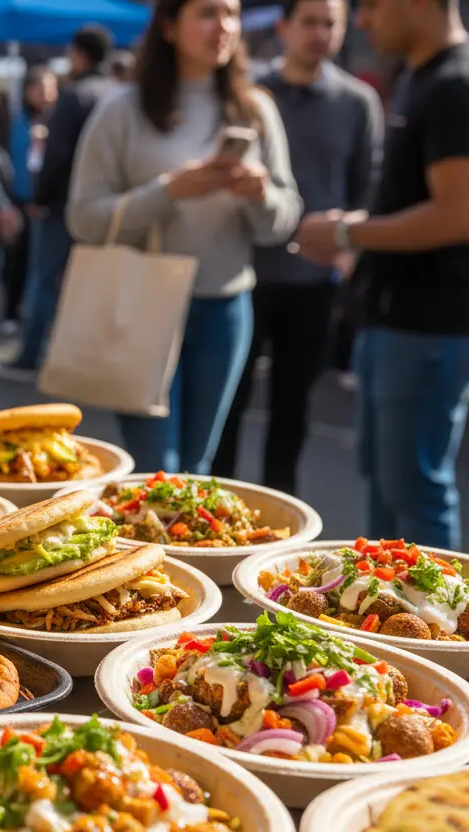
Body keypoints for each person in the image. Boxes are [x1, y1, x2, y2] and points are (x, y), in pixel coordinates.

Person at [68, 0, 303, 474]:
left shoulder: (255, 108)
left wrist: (259, 194)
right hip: (142, 306)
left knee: (197, 467)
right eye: (208, 12)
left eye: (232, 13)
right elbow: (83, 218)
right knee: (157, 467)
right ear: (170, 26)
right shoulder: (122, 108)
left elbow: (283, 221)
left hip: (226, 306)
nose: (224, 26)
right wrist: (169, 191)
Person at [294, 0, 469, 548]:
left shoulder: (455, 83)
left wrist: (351, 233)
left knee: (415, 491)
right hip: (394, 321)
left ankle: (437, 631)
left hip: (427, 327)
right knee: (389, 485)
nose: (362, 21)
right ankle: (389, 619)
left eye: (369, 6)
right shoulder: (424, 76)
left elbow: (456, 213)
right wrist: (354, 232)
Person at [212, 0, 383, 494]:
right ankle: (209, 518)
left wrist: (347, 244)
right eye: (309, 22)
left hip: (313, 283)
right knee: (227, 405)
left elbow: (365, 187)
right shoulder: (251, 94)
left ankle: (281, 522)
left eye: (330, 23)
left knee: (293, 411)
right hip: (243, 275)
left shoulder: (356, 102)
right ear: (284, 28)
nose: (319, 33)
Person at [0, 25, 118, 381]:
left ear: (80, 55)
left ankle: (30, 356)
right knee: (92, 285)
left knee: (45, 282)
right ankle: (87, 360)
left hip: (64, 208)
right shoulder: (116, 94)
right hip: (106, 208)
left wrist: (40, 198)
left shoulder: (75, 96)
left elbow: (57, 155)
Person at [3, 67, 59, 330]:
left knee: (40, 265)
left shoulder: (58, 120)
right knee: (16, 260)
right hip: (19, 199)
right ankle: (11, 312)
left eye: (50, 87)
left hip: (44, 202)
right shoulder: (16, 121)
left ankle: (35, 315)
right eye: (40, 88)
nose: (46, 94)